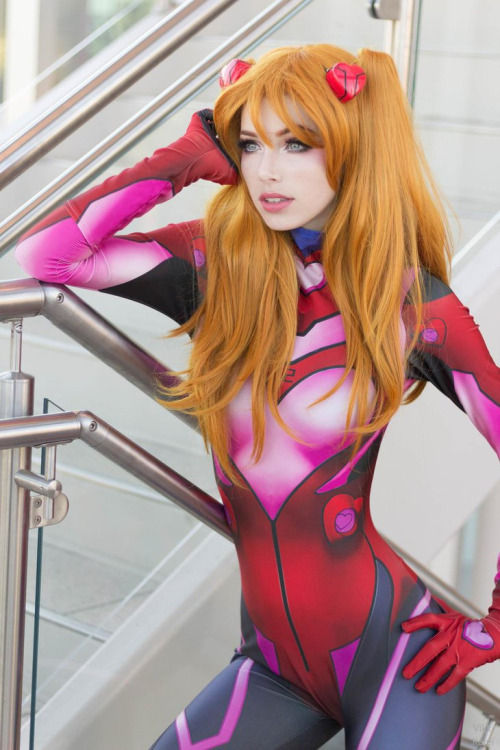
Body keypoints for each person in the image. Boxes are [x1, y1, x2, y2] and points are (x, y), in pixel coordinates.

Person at [15, 44, 499, 750]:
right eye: (249, 143)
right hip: (274, 666)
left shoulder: (410, 303)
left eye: (296, 143)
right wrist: (185, 158)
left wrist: (493, 626)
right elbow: (49, 255)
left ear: (353, 148)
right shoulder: (216, 264)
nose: (266, 170)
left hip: (401, 660)